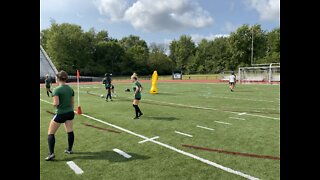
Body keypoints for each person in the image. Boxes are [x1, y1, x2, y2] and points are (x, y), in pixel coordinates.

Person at [45, 70, 75, 161]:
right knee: (70, 131)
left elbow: (56, 103)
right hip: (70, 113)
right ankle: (69, 149)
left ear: (58, 78)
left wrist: (54, 104)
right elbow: (72, 102)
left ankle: (51, 154)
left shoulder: (56, 90)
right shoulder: (70, 89)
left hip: (60, 113)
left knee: (50, 133)